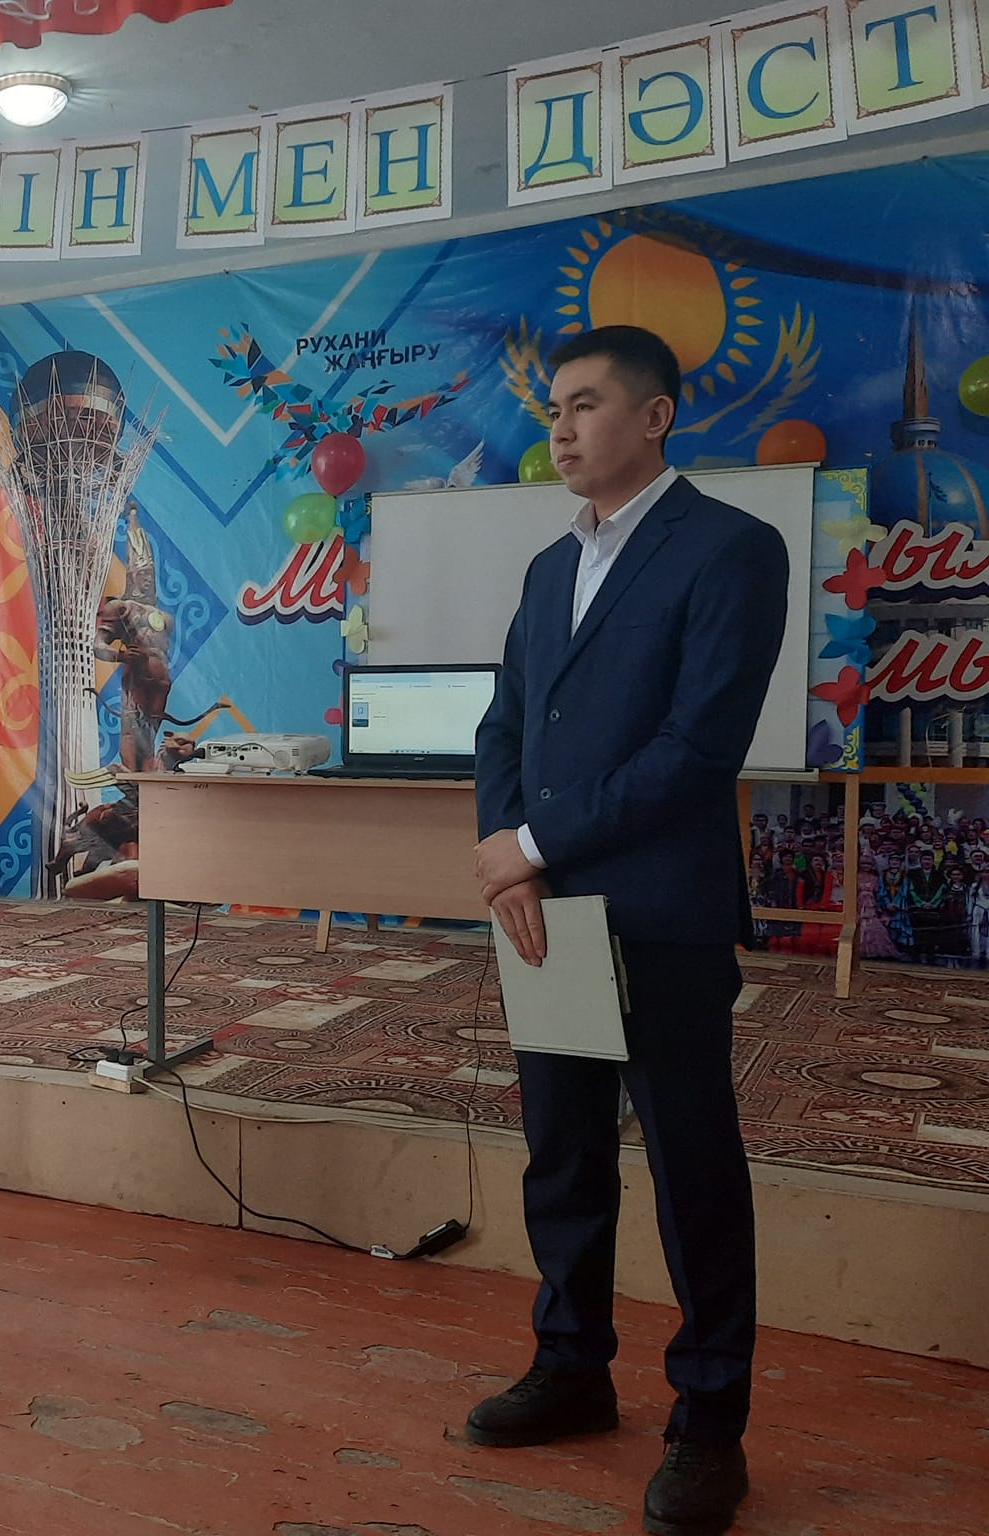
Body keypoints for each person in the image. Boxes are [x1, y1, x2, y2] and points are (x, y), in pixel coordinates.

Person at [470, 326, 789, 1536]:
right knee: (561, 1151)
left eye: (585, 404)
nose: (558, 428)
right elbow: (504, 726)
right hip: (547, 916)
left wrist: (531, 844)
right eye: (551, 407)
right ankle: (570, 1367)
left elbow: (695, 750)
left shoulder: (728, 548)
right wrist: (506, 854)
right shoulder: (548, 566)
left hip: (657, 911)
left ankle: (708, 1424)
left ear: (653, 417)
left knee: (689, 1167)